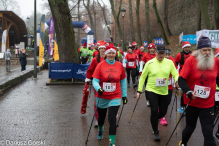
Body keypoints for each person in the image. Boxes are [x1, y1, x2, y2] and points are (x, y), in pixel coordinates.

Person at [178, 36, 219, 146]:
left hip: (208, 104)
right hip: (193, 103)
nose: (207, 52)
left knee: (208, 132)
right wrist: (188, 92)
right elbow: (181, 79)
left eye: (209, 49)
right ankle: (183, 143)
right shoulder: (191, 61)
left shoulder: (215, 61)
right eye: (204, 50)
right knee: (190, 128)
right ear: (199, 50)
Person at [136, 45, 179, 141]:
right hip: (151, 90)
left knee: (163, 112)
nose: (161, 55)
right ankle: (155, 131)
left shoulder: (169, 63)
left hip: (164, 90)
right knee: (154, 109)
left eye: (163, 53)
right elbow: (143, 77)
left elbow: (175, 74)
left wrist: (177, 80)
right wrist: (139, 90)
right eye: (159, 53)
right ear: (156, 52)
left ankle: (153, 119)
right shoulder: (149, 63)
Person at [92, 45, 127, 146]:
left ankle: (112, 142)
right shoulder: (100, 65)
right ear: (105, 54)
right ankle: (100, 129)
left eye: (113, 53)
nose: (111, 55)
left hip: (115, 96)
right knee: (101, 119)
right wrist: (98, 88)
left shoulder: (119, 65)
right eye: (109, 53)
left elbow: (123, 81)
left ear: (115, 54)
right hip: (102, 96)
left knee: (112, 119)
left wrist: (124, 95)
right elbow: (95, 80)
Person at [82, 41, 106, 127]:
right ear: (98, 49)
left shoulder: (109, 58)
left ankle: (107, 115)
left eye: (104, 48)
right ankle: (97, 119)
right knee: (97, 101)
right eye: (101, 48)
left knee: (107, 99)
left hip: (107, 83)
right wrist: (87, 80)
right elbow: (90, 70)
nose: (103, 50)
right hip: (97, 83)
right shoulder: (95, 59)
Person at [159, 48, 178, 125]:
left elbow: (176, 72)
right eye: (165, 55)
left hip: (169, 85)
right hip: (160, 85)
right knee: (161, 102)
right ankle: (162, 117)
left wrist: (176, 81)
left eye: (168, 55)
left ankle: (160, 112)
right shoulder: (159, 61)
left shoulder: (172, 62)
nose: (166, 56)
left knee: (168, 102)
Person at [175, 41, 192, 114]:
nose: (187, 49)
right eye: (186, 47)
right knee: (184, 91)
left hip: (191, 74)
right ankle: (182, 106)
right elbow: (175, 65)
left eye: (188, 47)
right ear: (183, 48)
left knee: (190, 90)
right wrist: (175, 77)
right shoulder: (179, 55)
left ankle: (189, 105)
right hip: (182, 74)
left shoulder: (192, 54)